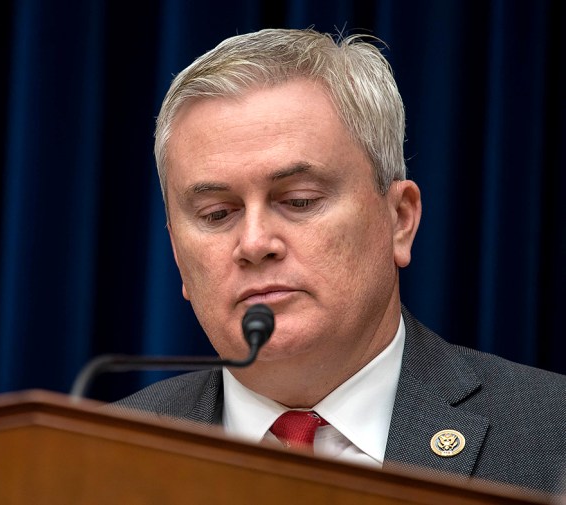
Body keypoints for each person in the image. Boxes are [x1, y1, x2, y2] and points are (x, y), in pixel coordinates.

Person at [114, 28, 566, 495]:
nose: (253, 242)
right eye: (217, 214)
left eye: (300, 201)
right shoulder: (99, 454)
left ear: (399, 220)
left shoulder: (553, 437)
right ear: (176, 254)